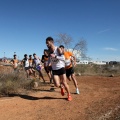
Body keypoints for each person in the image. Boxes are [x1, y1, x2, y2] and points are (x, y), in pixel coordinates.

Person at [46, 36, 72, 101]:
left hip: (61, 68)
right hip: (54, 69)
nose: (47, 44)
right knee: (57, 84)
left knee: (64, 82)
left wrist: (56, 56)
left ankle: (69, 95)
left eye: (47, 43)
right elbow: (49, 59)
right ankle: (61, 87)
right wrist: (48, 65)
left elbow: (63, 58)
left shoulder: (58, 49)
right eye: (46, 43)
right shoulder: (49, 51)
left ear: (52, 42)